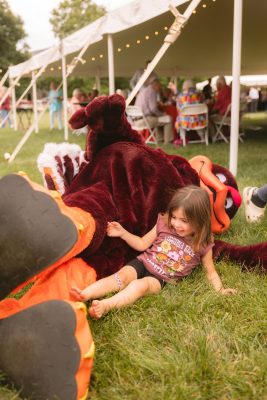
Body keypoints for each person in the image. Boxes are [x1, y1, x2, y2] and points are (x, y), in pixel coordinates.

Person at [70, 185, 236, 319]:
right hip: (142, 263)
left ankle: (106, 305)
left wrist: (220, 290)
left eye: (184, 221)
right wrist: (123, 233)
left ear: (199, 221)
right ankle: (85, 294)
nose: (176, 224)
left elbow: (210, 273)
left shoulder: (203, 242)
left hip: (161, 279)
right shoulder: (164, 223)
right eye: (174, 217)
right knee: (121, 277)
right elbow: (142, 244)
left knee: (139, 286)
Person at [135, 78, 173, 144]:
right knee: (168, 118)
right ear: (156, 85)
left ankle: (160, 140)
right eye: (160, 86)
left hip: (136, 121)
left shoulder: (143, 91)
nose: (159, 89)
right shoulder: (152, 91)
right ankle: (167, 142)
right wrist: (163, 114)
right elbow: (153, 109)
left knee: (160, 119)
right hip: (145, 120)